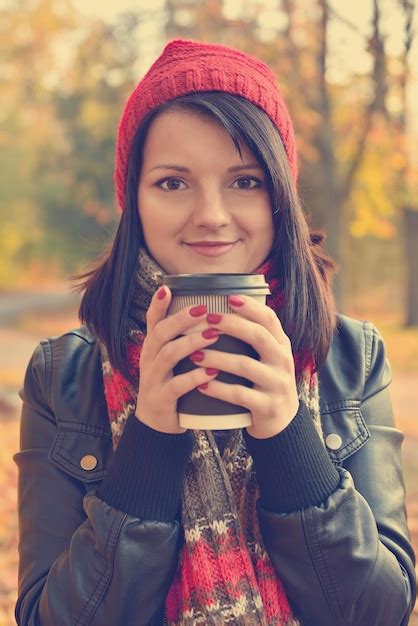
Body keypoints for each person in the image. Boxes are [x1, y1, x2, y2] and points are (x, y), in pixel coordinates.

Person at [14, 39, 416, 626]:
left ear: (280, 196)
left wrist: (288, 437)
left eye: (244, 181)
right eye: (173, 183)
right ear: (135, 202)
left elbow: (379, 611)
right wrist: (149, 438)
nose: (211, 214)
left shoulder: (351, 358)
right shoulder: (61, 376)